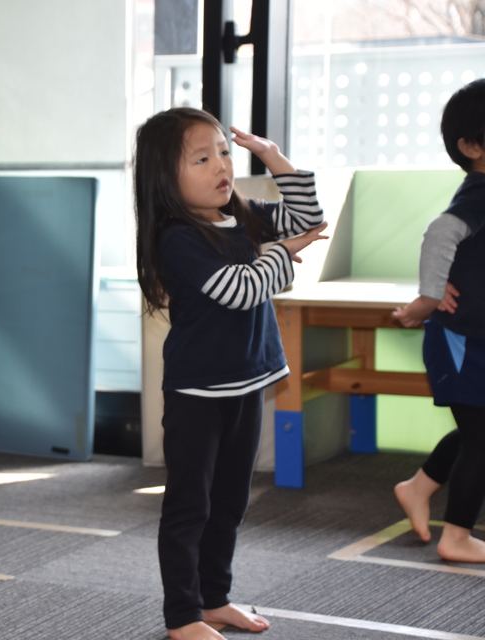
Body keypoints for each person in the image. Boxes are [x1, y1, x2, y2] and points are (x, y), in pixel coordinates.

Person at [134, 107, 327, 640]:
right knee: (189, 507)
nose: (221, 165)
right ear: (165, 177)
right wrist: (281, 254)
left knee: (229, 503)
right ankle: (183, 616)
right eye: (201, 158)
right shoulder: (177, 237)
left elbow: (309, 219)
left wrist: (274, 159)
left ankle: (213, 599)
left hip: (247, 383)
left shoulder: (240, 212)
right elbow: (240, 289)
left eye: (223, 151)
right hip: (197, 393)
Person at [392, 78, 485, 563]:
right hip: (461, 339)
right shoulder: (480, 192)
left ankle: (419, 487)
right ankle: (456, 537)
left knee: (478, 430)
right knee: (481, 436)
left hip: (475, 336)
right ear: (471, 147)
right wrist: (429, 296)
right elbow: (441, 232)